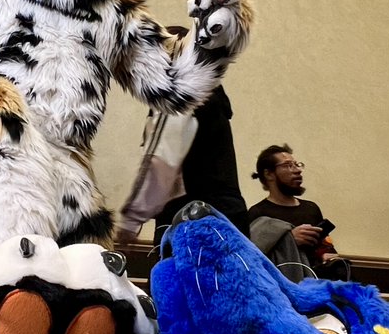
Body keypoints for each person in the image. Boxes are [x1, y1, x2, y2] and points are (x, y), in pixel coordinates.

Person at [116, 85, 248, 247]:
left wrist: (131, 220)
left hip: (191, 220)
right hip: (228, 216)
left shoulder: (179, 93)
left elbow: (161, 162)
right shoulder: (209, 91)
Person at [247, 145, 344, 280]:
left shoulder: (311, 208)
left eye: (297, 165)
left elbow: (323, 246)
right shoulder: (258, 213)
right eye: (288, 165)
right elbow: (253, 257)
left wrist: (325, 255)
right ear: (269, 174)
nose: (297, 170)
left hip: (315, 282)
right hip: (280, 285)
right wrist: (289, 240)